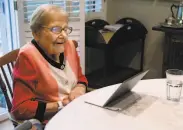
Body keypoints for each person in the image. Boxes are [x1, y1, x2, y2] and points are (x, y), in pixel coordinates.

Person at [11, 4, 88, 122]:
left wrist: (79, 89)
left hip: (76, 112)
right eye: (56, 29)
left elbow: (80, 77)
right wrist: (60, 104)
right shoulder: (27, 57)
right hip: (51, 121)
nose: (64, 35)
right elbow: (20, 109)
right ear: (36, 33)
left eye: (65, 29)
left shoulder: (69, 46)